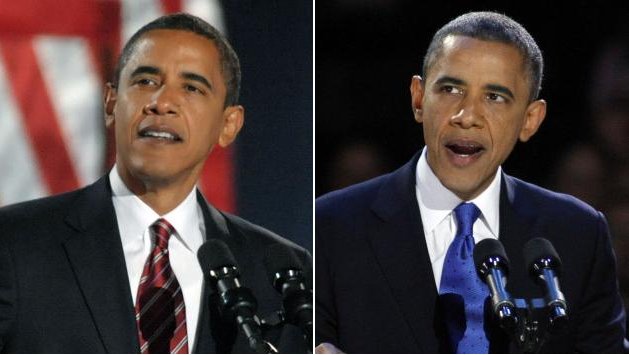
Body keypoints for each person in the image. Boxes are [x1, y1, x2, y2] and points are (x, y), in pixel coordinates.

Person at [315, 11, 626, 353]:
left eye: (495, 97)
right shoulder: (330, 228)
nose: (467, 117)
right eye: (450, 89)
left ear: (530, 120)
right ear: (419, 98)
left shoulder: (578, 234)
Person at [0, 13, 311, 353]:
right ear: (111, 103)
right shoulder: (15, 244)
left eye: (192, 87)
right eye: (146, 81)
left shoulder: (284, 275)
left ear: (228, 125)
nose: (161, 103)